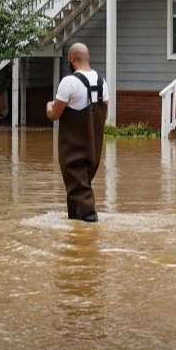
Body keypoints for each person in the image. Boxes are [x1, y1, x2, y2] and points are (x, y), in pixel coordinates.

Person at [45, 43, 108, 222]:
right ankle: (76, 229)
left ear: (72, 58)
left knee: (79, 190)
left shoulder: (69, 82)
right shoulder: (102, 82)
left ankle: (89, 223)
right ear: (88, 57)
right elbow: (105, 114)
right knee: (80, 186)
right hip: (94, 150)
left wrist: (49, 106)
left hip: (74, 150)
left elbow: (54, 115)